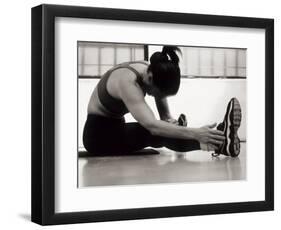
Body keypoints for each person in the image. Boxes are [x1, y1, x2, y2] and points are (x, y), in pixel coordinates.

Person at [83, 46, 242, 157]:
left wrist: (171, 123)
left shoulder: (153, 69)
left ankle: (220, 138)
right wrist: (195, 132)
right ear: (150, 79)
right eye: (157, 93)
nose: (155, 96)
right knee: (154, 133)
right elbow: (153, 126)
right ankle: (219, 143)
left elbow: (164, 116)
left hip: (116, 126)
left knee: (165, 128)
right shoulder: (127, 82)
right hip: (98, 136)